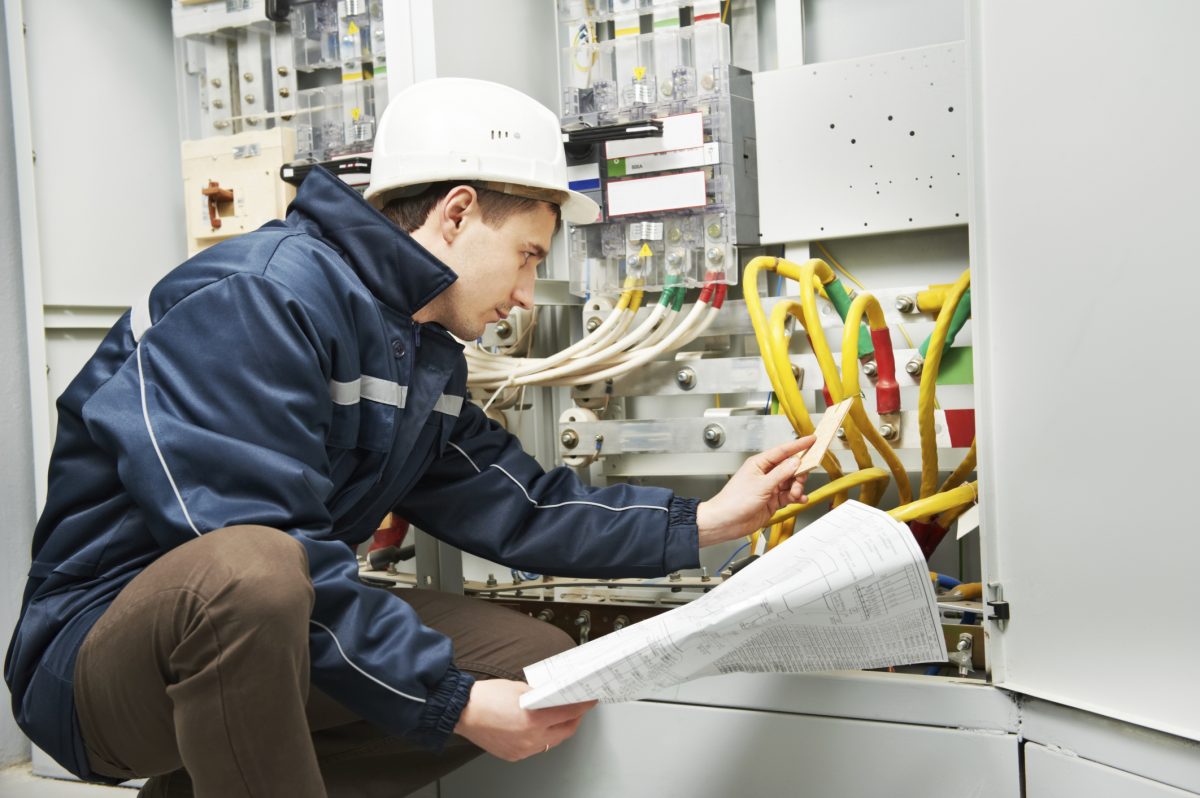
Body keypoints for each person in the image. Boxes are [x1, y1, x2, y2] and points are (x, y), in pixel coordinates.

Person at [4, 77, 812, 797]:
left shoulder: (418, 351)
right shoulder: (257, 298)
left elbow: (521, 506)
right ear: (457, 213)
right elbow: (253, 540)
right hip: (95, 664)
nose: (527, 293)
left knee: (529, 667)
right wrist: (449, 701)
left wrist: (707, 520)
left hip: (259, 628)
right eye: (527, 256)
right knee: (256, 568)